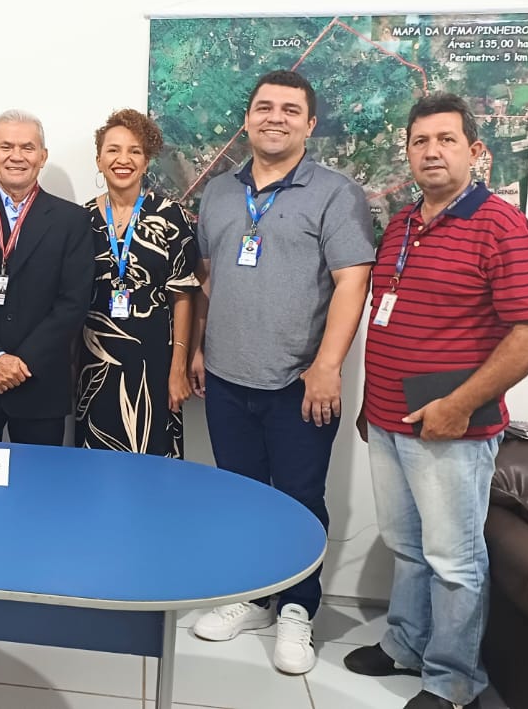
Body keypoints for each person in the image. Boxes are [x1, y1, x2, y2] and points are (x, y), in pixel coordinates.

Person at [346, 94, 528, 709]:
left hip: (452, 428)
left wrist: (460, 404)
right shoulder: (406, 221)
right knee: (405, 546)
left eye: (446, 140)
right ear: (408, 152)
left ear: (475, 151)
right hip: (388, 418)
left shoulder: (502, 226)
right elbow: (390, 319)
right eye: (420, 141)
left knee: (454, 560)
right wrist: (370, 403)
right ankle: (406, 645)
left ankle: (454, 679)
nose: (431, 151)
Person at [188, 70, 375, 674]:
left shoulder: (336, 193)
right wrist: (198, 348)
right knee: (242, 496)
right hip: (225, 375)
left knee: (298, 499)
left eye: (290, 110)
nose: (276, 117)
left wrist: (327, 366)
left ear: (309, 124)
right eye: (264, 107)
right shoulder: (217, 193)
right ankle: (254, 595)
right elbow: (210, 279)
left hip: (300, 381)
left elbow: (353, 281)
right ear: (246, 118)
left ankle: (298, 609)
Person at [0, 110, 92, 445]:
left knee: (38, 490)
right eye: (6, 146)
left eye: (28, 147)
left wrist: (20, 364)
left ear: (43, 156)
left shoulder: (72, 221)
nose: (17, 156)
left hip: (39, 383)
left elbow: (73, 302)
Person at [76, 109, 198, 456]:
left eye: (135, 151)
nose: (123, 159)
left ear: (146, 161)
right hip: (95, 360)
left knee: (154, 463)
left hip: (155, 360)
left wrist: (178, 370)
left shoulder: (169, 216)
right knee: (95, 462)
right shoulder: (80, 219)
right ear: (99, 159)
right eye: (113, 150)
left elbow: (183, 297)